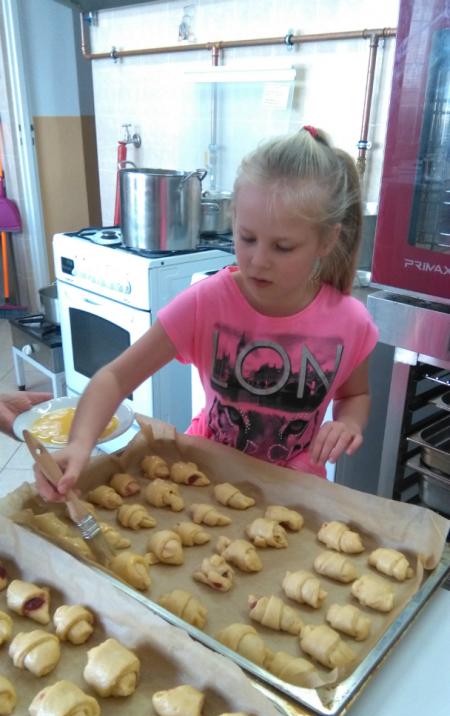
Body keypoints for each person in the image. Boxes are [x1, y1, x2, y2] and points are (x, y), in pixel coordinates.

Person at [35, 125, 378, 502]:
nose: (258, 260)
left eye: (283, 247)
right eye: (247, 238)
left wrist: (348, 422)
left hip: (294, 490)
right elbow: (115, 378)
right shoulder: (208, 303)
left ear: (326, 240)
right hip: (205, 478)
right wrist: (79, 444)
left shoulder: (349, 322)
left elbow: (356, 394)